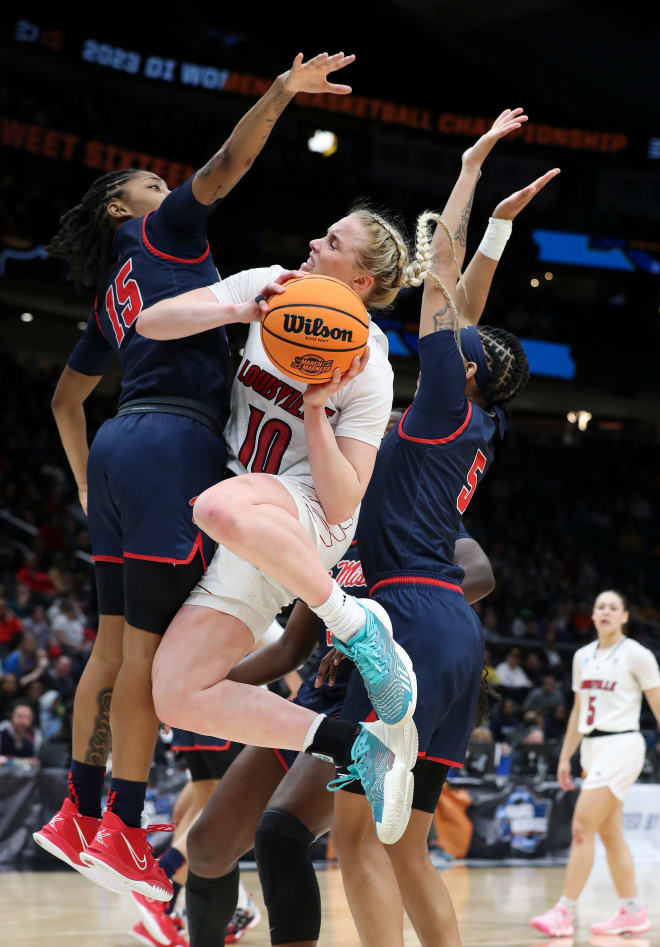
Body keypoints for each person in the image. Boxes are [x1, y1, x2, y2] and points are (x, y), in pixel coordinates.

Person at [32, 51, 357, 901]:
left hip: (115, 449)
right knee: (146, 657)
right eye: (150, 183)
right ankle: (126, 832)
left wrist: (83, 484)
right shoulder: (162, 233)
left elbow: (67, 400)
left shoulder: (113, 291)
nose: (167, 189)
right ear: (122, 206)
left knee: (108, 649)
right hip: (174, 444)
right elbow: (224, 167)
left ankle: (78, 807)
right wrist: (282, 92)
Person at [325, 111, 557, 947]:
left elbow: (441, 285)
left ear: (459, 373)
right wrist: (500, 225)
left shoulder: (441, 405)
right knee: (409, 844)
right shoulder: (478, 422)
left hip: (410, 622)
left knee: (355, 836)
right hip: (457, 633)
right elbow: (465, 304)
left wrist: (469, 171)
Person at [181, 527, 493, 947]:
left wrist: (371, 628)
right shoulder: (327, 534)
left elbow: (479, 574)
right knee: (207, 846)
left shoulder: (409, 516)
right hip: (317, 696)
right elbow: (291, 648)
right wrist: (197, 687)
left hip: (371, 695)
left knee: (282, 834)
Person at [530, 589, 660, 938]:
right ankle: (632, 911)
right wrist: (565, 756)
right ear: (593, 614)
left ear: (625, 616)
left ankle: (564, 911)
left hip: (622, 744)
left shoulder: (638, 655)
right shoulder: (582, 656)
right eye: (600, 606)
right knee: (610, 834)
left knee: (581, 828)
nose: (605, 611)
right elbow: (577, 711)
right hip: (591, 748)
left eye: (613, 607)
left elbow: (658, 705)